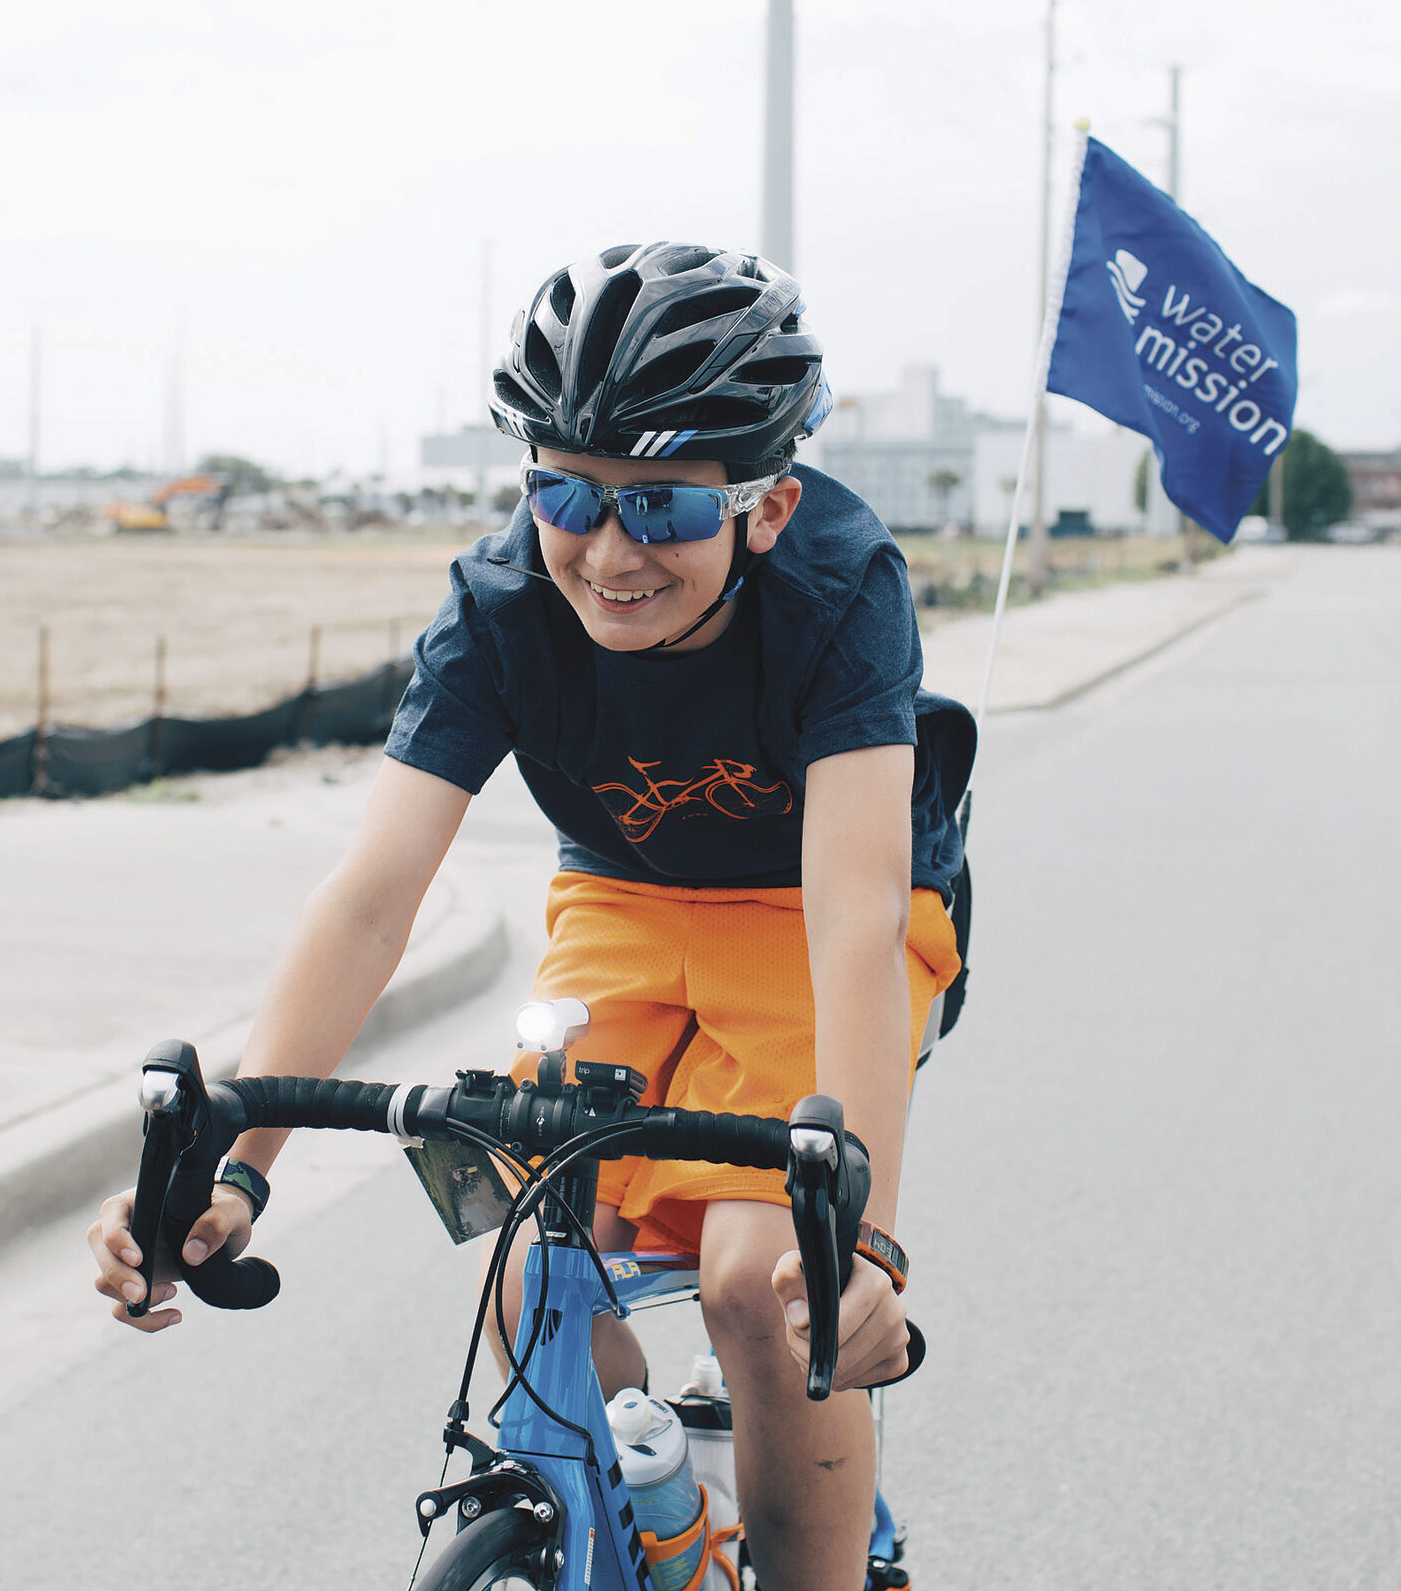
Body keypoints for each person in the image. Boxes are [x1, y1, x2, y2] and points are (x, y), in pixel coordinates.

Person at [87, 241, 972, 1591]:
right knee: (523, 1247)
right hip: (623, 895)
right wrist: (236, 1168)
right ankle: (648, 1509)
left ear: (769, 507)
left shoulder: (842, 583)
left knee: (760, 1276)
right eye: (565, 491)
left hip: (808, 905)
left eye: (663, 508)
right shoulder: (502, 601)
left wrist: (865, 1247)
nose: (609, 553)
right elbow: (372, 897)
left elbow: (852, 916)